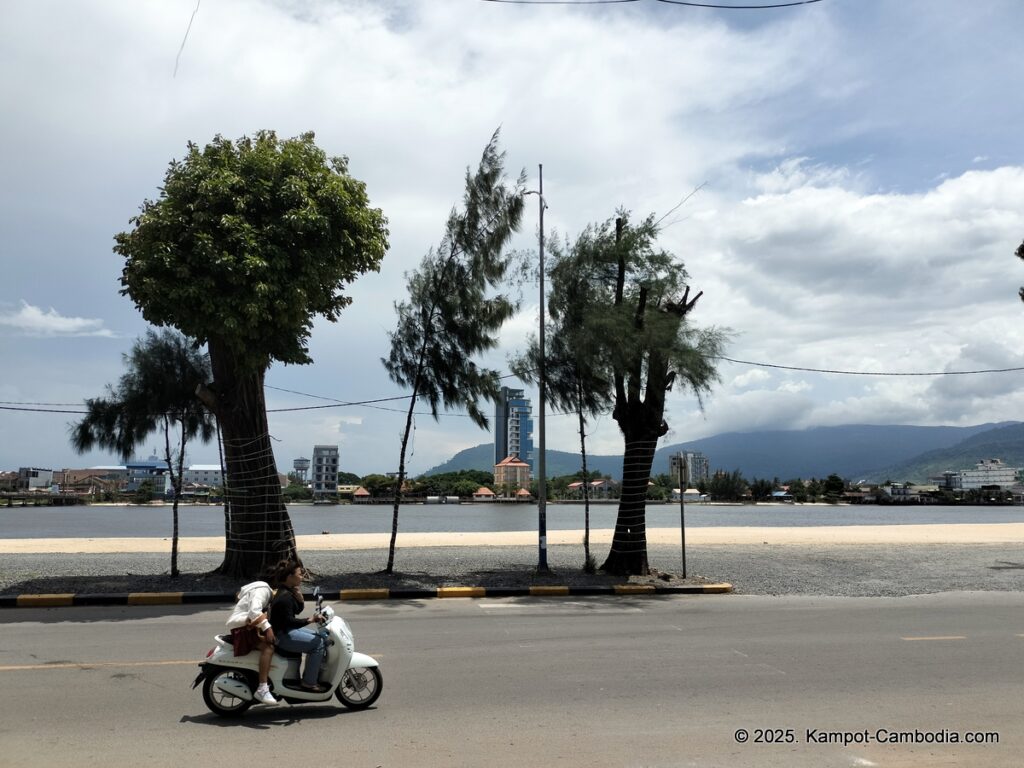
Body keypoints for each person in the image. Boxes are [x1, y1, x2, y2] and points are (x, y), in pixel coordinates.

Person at [268, 559, 328, 693]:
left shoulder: (287, 591)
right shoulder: (285, 597)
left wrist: (300, 600)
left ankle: (311, 676)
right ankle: (309, 682)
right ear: (290, 577)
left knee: (321, 638)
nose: (302, 577)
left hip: (286, 630)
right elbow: (290, 621)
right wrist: (311, 620)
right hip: (283, 635)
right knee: (318, 644)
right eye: (299, 574)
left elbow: (294, 611)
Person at [225, 579, 278, 705]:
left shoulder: (256, 588)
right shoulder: (263, 590)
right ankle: (263, 688)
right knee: (268, 647)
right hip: (243, 627)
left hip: (243, 625)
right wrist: (268, 628)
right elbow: (254, 611)